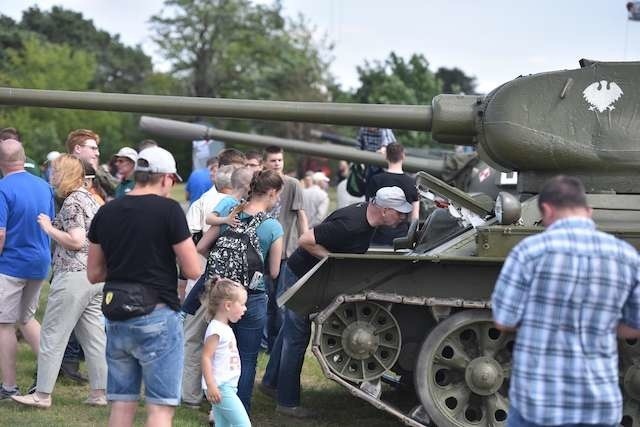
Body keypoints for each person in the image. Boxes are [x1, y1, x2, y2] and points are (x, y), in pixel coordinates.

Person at [491, 175, 640, 427]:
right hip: (599, 405)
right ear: (589, 211)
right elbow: (635, 324)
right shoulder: (625, 256)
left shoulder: (528, 252)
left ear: (546, 210)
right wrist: (600, 323)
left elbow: (504, 320)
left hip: (538, 405)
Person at [260, 186, 412, 418]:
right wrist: (333, 261)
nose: (403, 217)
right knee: (297, 337)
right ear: (383, 210)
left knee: (290, 332)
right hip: (300, 275)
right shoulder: (351, 224)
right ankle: (287, 402)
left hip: (309, 275)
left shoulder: (368, 219)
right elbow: (305, 240)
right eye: (399, 212)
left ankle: (270, 382)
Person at [87, 146, 201, 427]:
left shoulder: (108, 210)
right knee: (160, 410)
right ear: (165, 178)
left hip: (116, 315)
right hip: (157, 315)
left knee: (122, 405)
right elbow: (193, 269)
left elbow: (94, 273)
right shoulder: (169, 210)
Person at [12, 155, 107, 409]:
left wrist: (48, 228)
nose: (51, 175)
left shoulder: (73, 202)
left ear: (65, 173)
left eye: (55, 171)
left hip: (73, 275)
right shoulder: (90, 198)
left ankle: (41, 395)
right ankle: (100, 393)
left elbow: (76, 241)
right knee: (94, 338)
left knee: (53, 335)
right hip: (95, 275)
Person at [193, 169, 284, 413]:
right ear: (272, 193)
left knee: (215, 352)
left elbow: (201, 246)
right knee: (246, 357)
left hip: (220, 294)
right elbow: (274, 271)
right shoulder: (273, 227)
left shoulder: (230, 214)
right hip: (250, 299)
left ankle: (215, 408)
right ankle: (239, 409)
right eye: (278, 196)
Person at [180, 165, 252, 409]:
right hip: (228, 283)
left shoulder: (216, 203)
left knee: (195, 339)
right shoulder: (231, 205)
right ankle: (206, 397)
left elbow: (199, 244)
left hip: (210, 278)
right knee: (211, 340)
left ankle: (191, 395)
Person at [0, 139, 55, 400]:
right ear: (24, 159)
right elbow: (51, 223)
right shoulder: (44, 186)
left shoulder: (2, 188)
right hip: (40, 261)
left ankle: (9, 386)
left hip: (11, 263)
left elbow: (0, 233)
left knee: (3, 324)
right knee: (27, 318)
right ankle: (47, 378)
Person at [262, 146, 308, 352]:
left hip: (285, 252)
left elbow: (300, 214)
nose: (277, 164)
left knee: (281, 303)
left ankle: (277, 346)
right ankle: (263, 344)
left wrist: (304, 242)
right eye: (272, 160)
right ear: (265, 162)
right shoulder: (260, 183)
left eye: (279, 160)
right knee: (264, 301)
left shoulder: (292, 185)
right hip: (261, 251)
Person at [201, 278, 251, 427]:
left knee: (223, 424)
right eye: (242, 304)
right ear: (228, 305)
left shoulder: (223, 328)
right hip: (221, 388)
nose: (245, 309)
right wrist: (211, 385)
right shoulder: (216, 329)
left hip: (227, 386)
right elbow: (205, 357)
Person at [365, 143, 419, 245]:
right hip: (402, 236)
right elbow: (415, 216)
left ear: (386, 156)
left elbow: (369, 210)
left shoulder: (376, 180)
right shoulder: (412, 182)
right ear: (403, 156)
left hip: (377, 235)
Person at [66, 129, 118, 204]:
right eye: (93, 148)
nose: (97, 153)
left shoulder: (96, 175)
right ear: (78, 149)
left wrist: (96, 171)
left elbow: (118, 190)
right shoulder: (64, 176)